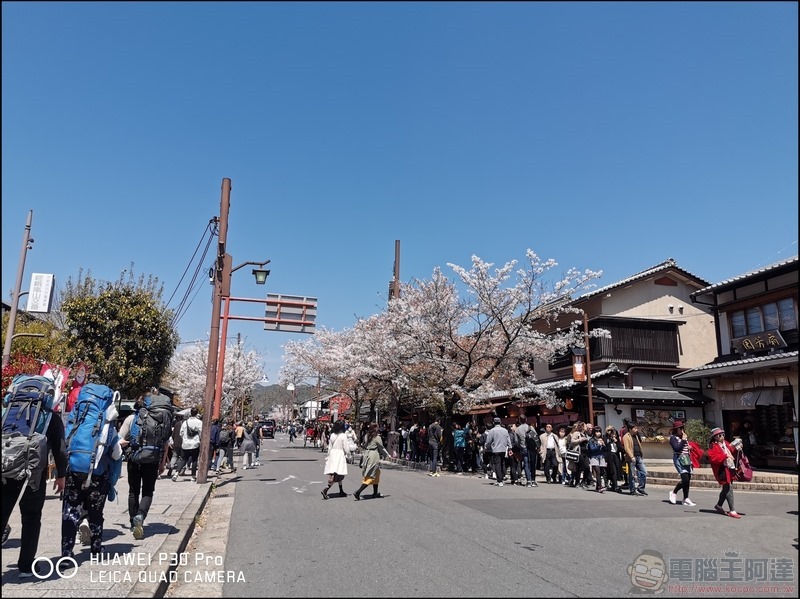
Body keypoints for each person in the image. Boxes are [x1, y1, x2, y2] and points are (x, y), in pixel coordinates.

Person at [1, 409, 67, 577]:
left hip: (5, 470)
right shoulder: (51, 416)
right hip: (34, 474)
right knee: (31, 517)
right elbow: (60, 450)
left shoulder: (6, 411)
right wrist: (61, 476)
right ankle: (26, 565)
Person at [61, 412, 123, 560]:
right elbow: (116, 454)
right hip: (98, 477)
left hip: (73, 474)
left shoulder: (75, 422)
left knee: (70, 512)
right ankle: (96, 549)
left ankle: (66, 552)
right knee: (96, 513)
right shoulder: (108, 427)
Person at [119, 392, 172, 541]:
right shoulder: (161, 418)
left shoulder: (131, 418)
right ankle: (141, 516)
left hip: (134, 459)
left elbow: (120, 439)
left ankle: (132, 521)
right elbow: (166, 443)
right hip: (153, 459)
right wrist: (162, 463)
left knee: (133, 491)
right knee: (148, 491)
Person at [707, 427, 742, 518]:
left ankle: (719, 505)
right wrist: (725, 456)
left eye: (723, 434)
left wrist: (737, 447)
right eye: (720, 435)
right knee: (728, 488)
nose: (722, 436)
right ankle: (732, 510)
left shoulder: (725, 443)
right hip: (722, 469)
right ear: (715, 437)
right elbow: (713, 458)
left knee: (726, 488)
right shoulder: (712, 446)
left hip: (730, 467)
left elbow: (731, 450)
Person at [353, 422, 390, 500]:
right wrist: (387, 455)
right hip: (373, 455)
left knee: (376, 473)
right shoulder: (377, 437)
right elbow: (381, 448)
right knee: (371, 475)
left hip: (367, 454)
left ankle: (375, 493)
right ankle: (358, 492)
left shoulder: (366, 436)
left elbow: (364, 445)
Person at [321, 420, 351, 499]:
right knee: (338, 473)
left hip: (332, 454)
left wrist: (328, 456)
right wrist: (349, 455)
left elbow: (330, 446)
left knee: (337, 472)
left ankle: (341, 490)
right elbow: (346, 448)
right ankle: (326, 489)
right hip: (339, 454)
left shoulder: (332, 435)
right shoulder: (343, 435)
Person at [668, 420, 695, 506]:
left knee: (687, 480)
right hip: (679, 459)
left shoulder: (684, 438)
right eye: (680, 428)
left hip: (687, 459)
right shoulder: (673, 438)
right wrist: (683, 440)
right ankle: (674, 492)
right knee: (685, 479)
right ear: (676, 429)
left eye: (682, 428)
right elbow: (677, 448)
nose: (682, 430)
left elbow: (685, 448)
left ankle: (685, 498)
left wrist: (689, 447)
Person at [172, 407, 202, 482]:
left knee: (184, 459)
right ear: (197, 413)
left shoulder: (185, 422)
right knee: (194, 460)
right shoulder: (199, 422)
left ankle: (176, 473)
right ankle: (193, 476)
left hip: (185, 444)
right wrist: (198, 439)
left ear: (190, 413)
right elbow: (201, 433)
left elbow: (181, 433)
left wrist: (185, 438)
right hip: (195, 443)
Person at [484, 417, 512, 487]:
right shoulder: (505, 430)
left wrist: (486, 447)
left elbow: (488, 441)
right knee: (502, 463)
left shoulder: (492, 431)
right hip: (503, 449)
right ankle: (502, 477)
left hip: (496, 449)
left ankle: (499, 480)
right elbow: (508, 440)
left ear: (494, 422)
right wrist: (510, 448)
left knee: (497, 465)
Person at [623, 422, 647, 496]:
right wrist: (631, 456)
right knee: (632, 475)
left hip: (638, 456)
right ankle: (632, 489)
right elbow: (627, 448)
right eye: (635, 428)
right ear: (630, 429)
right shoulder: (626, 436)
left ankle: (641, 488)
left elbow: (639, 444)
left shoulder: (636, 435)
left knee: (644, 472)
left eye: (637, 428)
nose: (636, 430)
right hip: (632, 458)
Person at [586, 425, 607, 492]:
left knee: (601, 472)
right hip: (594, 457)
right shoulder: (591, 440)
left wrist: (603, 445)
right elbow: (592, 449)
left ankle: (598, 486)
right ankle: (600, 486)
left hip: (601, 456)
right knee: (597, 471)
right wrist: (598, 445)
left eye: (599, 432)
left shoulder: (601, 439)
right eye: (597, 432)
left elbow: (605, 449)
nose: (598, 433)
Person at [604, 426, 623, 493]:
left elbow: (621, 449)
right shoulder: (606, 438)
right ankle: (615, 485)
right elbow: (605, 446)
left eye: (615, 434)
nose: (613, 435)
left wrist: (617, 442)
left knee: (617, 469)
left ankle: (613, 483)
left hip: (616, 456)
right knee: (613, 470)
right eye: (612, 433)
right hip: (609, 456)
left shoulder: (617, 439)